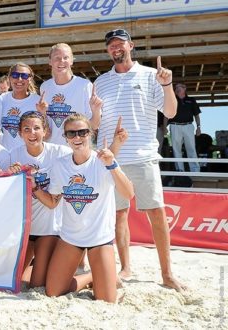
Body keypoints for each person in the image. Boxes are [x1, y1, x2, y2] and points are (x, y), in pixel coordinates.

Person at [94, 28, 185, 291]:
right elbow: (97, 123)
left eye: (120, 43)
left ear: (131, 46)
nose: (115, 48)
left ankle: (167, 274)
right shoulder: (100, 82)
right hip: (113, 158)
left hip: (144, 155)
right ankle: (125, 268)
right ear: (108, 50)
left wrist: (167, 85)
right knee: (119, 215)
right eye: (111, 45)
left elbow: (170, 111)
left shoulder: (150, 75)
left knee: (156, 214)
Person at [41, 113, 134, 303]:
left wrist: (112, 164)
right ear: (65, 138)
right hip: (71, 237)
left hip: (99, 238)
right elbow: (53, 201)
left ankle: (101, 277)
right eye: (71, 133)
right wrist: (32, 186)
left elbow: (129, 193)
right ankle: (91, 276)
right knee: (53, 292)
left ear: (90, 134)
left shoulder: (103, 160)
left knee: (107, 300)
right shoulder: (60, 165)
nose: (77, 138)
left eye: (82, 132)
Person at [9, 111, 72, 288]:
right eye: (26, 129)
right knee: (14, 280)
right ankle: (44, 265)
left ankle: (55, 266)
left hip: (50, 228)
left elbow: (52, 204)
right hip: (25, 229)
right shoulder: (13, 155)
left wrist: (34, 186)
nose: (32, 133)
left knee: (37, 285)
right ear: (20, 133)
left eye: (37, 128)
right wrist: (9, 174)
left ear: (45, 131)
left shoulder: (61, 153)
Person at [38, 43, 102, 146]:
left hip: (77, 151)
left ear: (72, 61)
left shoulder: (85, 85)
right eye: (57, 58)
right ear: (50, 61)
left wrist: (97, 111)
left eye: (66, 57)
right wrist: (43, 114)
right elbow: (46, 128)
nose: (61, 61)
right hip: (52, 150)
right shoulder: (45, 87)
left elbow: (94, 125)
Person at [0, 62, 41, 150]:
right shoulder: (1, 99)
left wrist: (43, 112)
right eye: (15, 75)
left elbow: (46, 133)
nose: (20, 79)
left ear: (30, 79)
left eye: (25, 76)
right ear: (9, 78)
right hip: (7, 156)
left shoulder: (38, 101)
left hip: (30, 156)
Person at [167, 83, 201, 172]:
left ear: (184, 88)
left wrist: (199, 127)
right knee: (176, 149)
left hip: (188, 126)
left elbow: (196, 114)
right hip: (174, 126)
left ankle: (195, 170)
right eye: (176, 88)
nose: (177, 89)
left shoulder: (191, 100)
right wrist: (164, 128)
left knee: (191, 148)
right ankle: (180, 170)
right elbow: (166, 115)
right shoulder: (172, 100)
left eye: (179, 87)